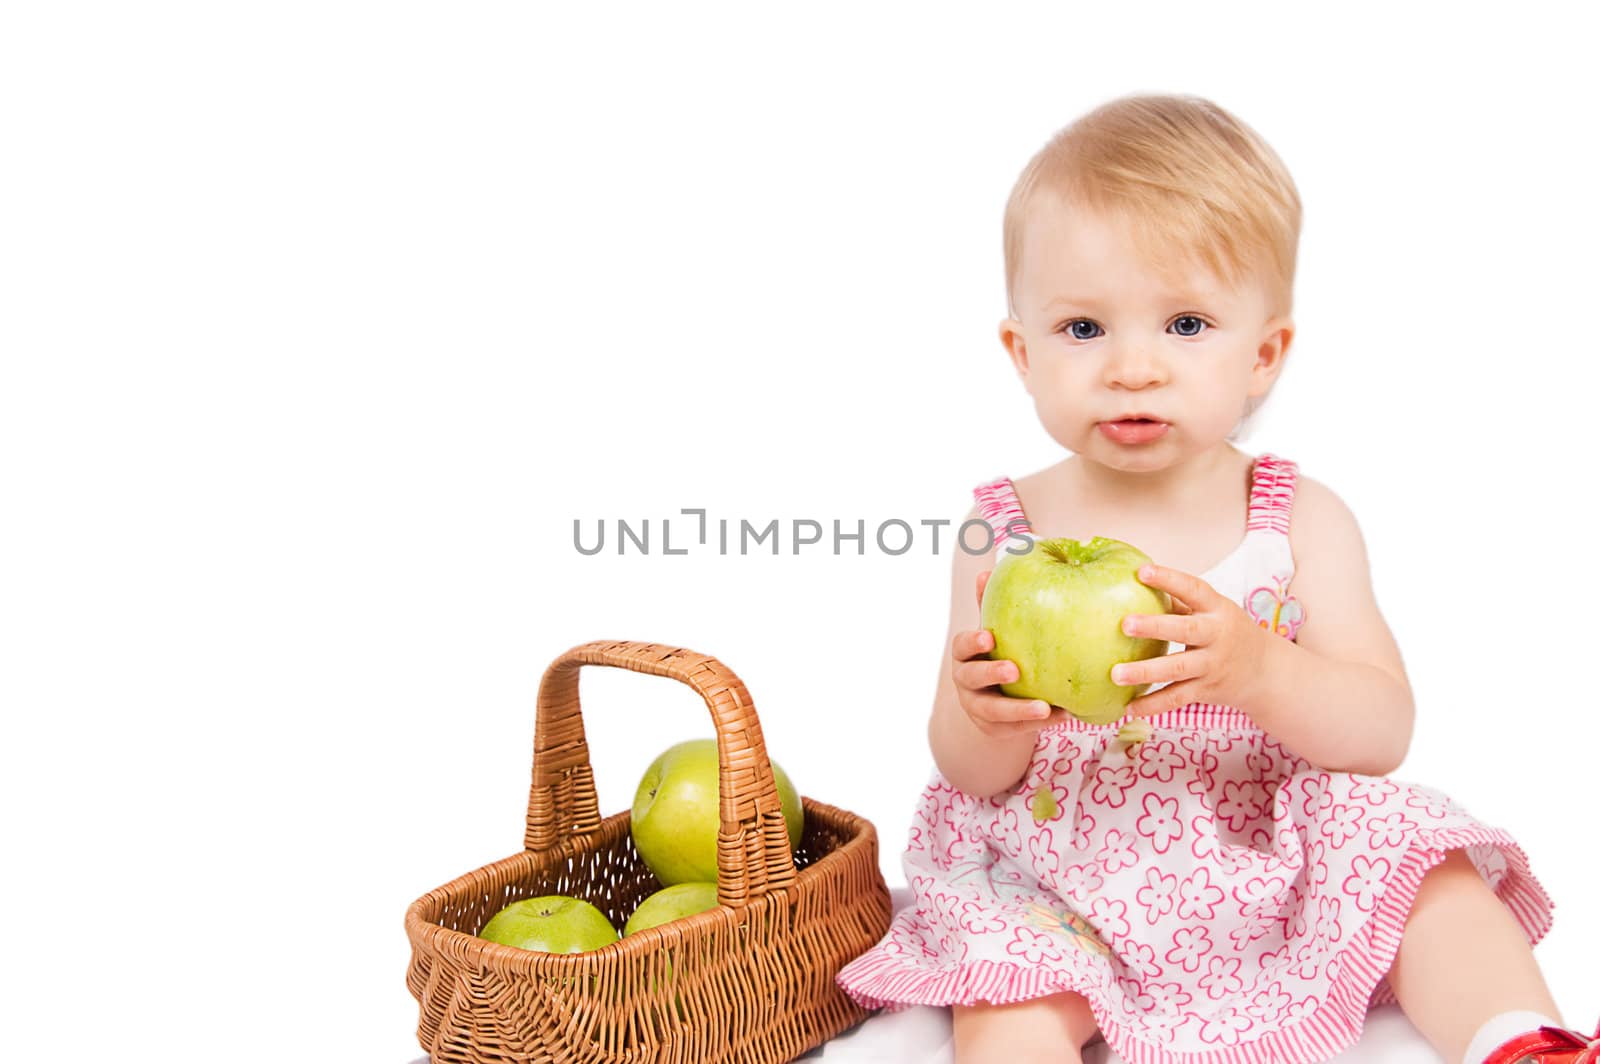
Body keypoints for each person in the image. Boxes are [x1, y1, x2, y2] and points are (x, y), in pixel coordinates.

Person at [834, 93, 1597, 1064]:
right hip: (1066, 874)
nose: (1134, 367)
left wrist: (1257, 670)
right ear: (1020, 354)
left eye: (1186, 322)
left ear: (1263, 355)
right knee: (1005, 972)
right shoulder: (1004, 532)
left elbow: (1380, 731)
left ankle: (1520, 1041)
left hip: (1265, 853)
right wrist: (979, 713)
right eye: (1082, 329)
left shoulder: (1298, 516)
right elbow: (968, 769)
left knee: (1420, 859)